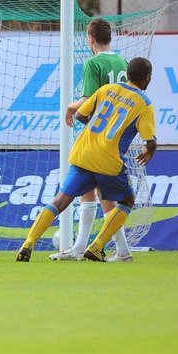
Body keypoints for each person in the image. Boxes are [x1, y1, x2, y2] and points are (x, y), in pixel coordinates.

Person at [16, 57, 156, 263]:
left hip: (83, 152)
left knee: (60, 200)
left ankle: (28, 243)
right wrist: (149, 151)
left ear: (127, 74)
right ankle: (97, 246)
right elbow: (149, 140)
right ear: (148, 78)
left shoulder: (106, 89)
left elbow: (81, 114)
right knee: (127, 201)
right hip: (108, 160)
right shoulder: (144, 104)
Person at [52, 18, 133, 262]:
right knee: (88, 191)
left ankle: (122, 251)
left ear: (90, 39)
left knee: (104, 195)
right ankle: (80, 248)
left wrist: (69, 107)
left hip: (99, 135)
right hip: (114, 133)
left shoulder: (92, 63)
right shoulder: (123, 61)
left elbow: (89, 100)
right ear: (110, 38)